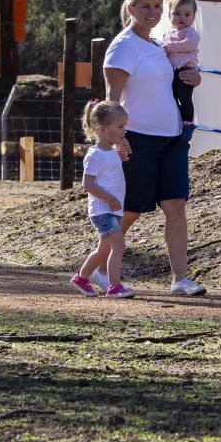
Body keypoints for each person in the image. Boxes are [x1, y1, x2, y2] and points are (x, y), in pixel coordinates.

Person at [91, 0, 207, 297]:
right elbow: (111, 98)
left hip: (173, 138)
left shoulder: (157, 44)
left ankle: (180, 280)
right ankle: (97, 270)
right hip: (138, 138)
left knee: (176, 205)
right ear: (131, 9)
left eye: (157, 6)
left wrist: (193, 78)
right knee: (130, 209)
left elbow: (166, 85)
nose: (153, 12)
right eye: (145, 6)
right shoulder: (124, 46)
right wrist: (117, 139)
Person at [70, 100, 135, 299]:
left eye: (125, 126)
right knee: (119, 246)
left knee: (102, 250)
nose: (125, 131)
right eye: (120, 127)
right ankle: (114, 286)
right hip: (102, 210)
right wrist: (110, 199)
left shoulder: (111, 152)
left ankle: (81, 277)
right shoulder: (95, 155)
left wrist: (122, 158)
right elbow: (87, 184)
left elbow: (111, 174)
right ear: (102, 129)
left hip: (112, 209)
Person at [161, 0, 200, 142]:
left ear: (193, 17)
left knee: (185, 98)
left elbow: (188, 45)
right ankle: (175, 123)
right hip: (171, 72)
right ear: (169, 15)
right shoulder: (167, 35)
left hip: (184, 70)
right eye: (176, 14)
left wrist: (168, 47)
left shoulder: (191, 33)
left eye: (187, 14)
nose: (181, 17)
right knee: (171, 98)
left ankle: (188, 125)